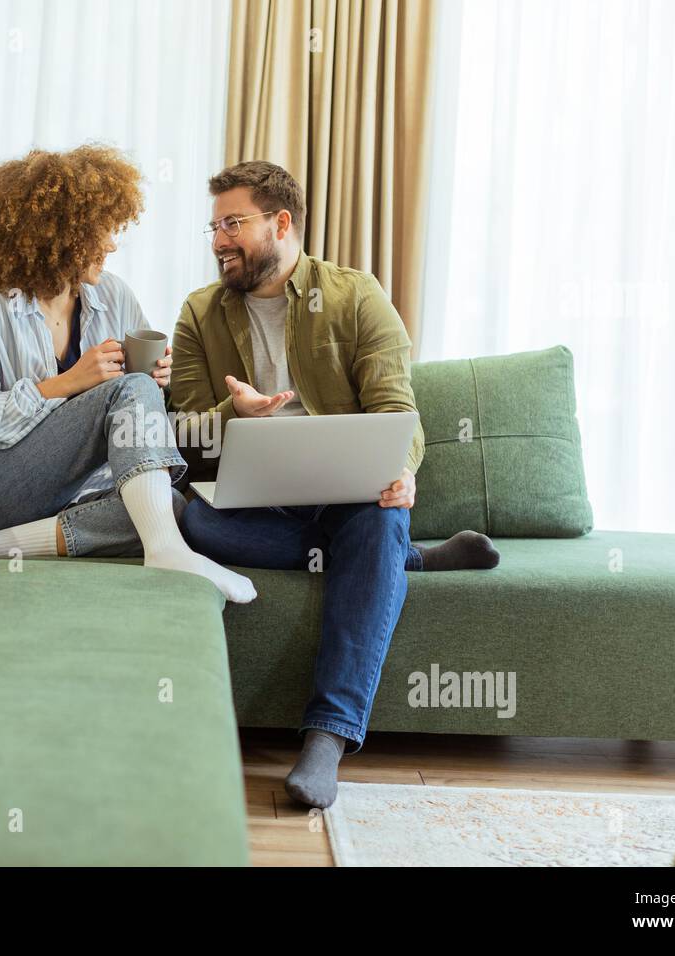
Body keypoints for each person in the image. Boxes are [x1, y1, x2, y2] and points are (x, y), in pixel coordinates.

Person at [170, 160, 501, 807]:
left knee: (376, 519)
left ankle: (327, 735)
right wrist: (232, 416)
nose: (218, 241)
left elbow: (395, 410)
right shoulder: (199, 313)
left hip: (347, 498)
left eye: (232, 224)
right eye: (213, 227)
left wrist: (401, 471)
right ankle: (408, 560)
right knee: (186, 522)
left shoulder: (355, 296)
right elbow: (183, 437)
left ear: (281, 222)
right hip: (254, 504)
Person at [0, 145, 256, 604]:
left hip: (65, 492)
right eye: (100, 231)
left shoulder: (114, 295)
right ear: (59, 236)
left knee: (166, 507)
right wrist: (66, 384)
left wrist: (154, 385)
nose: (111, 244)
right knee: (137, 416)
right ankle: (165, 552)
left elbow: (134, 414)